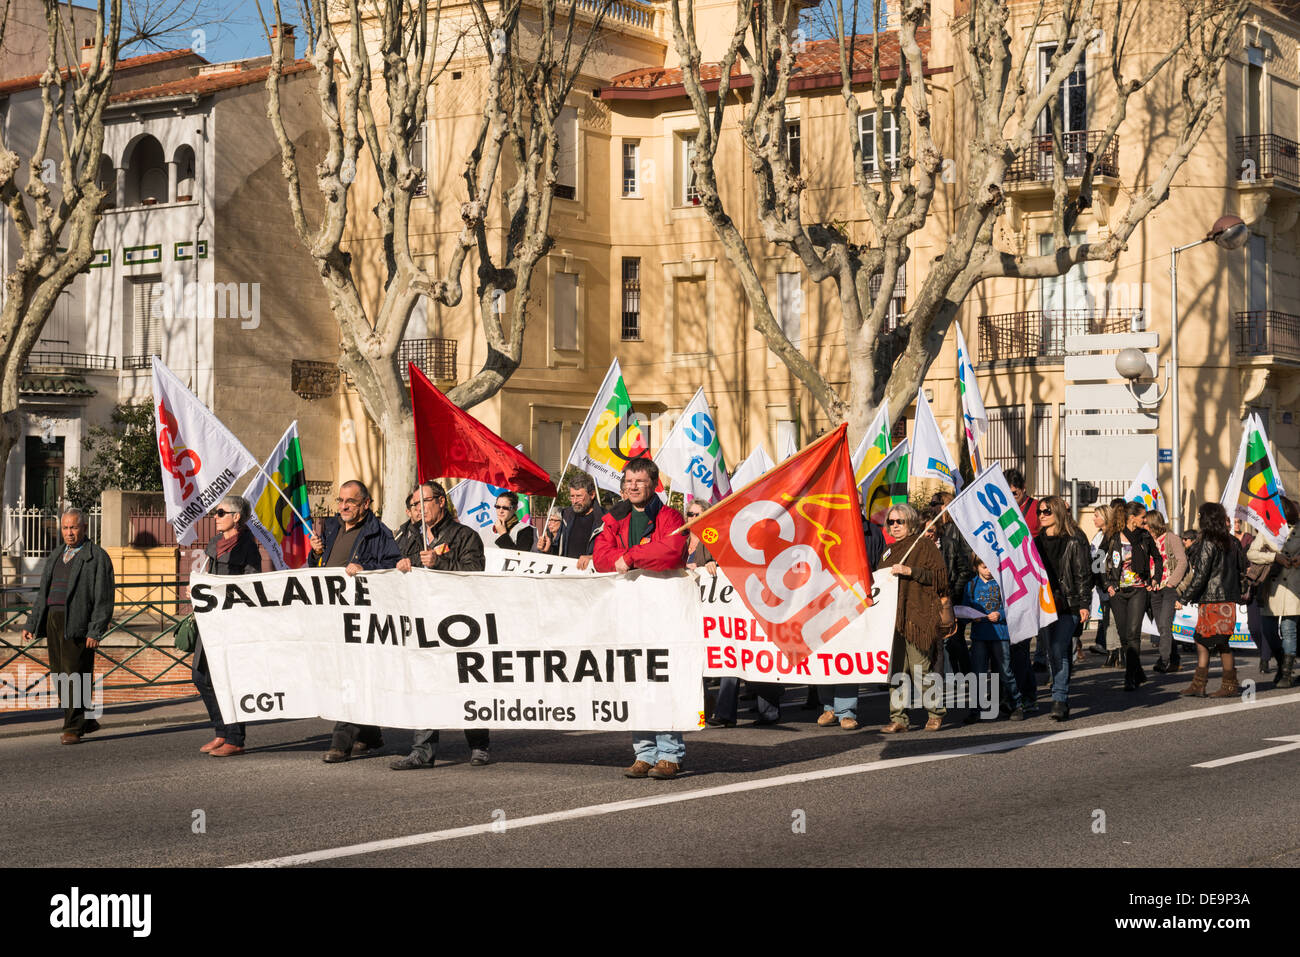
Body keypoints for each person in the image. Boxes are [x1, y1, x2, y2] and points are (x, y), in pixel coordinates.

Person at [593, 457, 688, 779]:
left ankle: (669, 754)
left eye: (639, 482)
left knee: (662, 681)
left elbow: (671, 551)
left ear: (653, 484)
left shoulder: (668, 515)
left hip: (662, 612)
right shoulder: (613, 518)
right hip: (627, 612)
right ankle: (644, 753)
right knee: (636, 682)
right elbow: (601, 558)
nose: (632, 487)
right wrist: (624, 560)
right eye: (628, 482)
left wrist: (630, 557)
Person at [391, 481, 492, 769]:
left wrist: (439, 563)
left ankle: (478, 743)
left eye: (424, 502)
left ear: (441, 502)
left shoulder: (464, 535)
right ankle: (422, 751)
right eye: (414, 504)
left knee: (466, 682)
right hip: (423, 620)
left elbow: (474, 574)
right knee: (426, 683)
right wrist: (401, 564)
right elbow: (391, 563)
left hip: (459, 621)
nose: (418, 509)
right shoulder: (407, 535)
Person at [313, 480, 402, 763]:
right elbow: (317, 569)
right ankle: (369, 734)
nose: (343, 506)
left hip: (360, 617)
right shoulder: (330, 529)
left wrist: (366, 569)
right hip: (331, 616)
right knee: (345, 673)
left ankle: (341, 742)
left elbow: (392, 567)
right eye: (340, 501)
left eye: (350, 501)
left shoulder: (379, 533)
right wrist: (316, 555)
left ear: (365, 503)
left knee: (350, 676)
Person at [22, 508, 115, 745]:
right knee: (60, 675)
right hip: (53, 620)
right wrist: (32, 623)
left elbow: (104, 598)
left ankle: (73, 727)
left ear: (84, 528)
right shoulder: (56, 555)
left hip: (78, 621)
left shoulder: (97, 557)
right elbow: (43, 592)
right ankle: (87, 719)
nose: (69, 532)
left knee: (74, 675)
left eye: (74, 527)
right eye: (65, 528)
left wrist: (95, 630)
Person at [690, 500, 783, 728]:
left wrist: (717, 564)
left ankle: (768, 711)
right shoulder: (699, 539)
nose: (693, 518)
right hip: (718, 611)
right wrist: (703, 566)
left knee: (758, 658)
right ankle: (723, 712)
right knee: (726, 659)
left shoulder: (749, 538)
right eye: (690, 514)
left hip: (753, 607)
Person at [194, 495, 264, 757]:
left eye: (221, 512)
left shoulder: (248, 547)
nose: (215, 516)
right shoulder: (214, 543)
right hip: (208, 619)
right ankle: (221, 731)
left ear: (236, 517)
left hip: (232, 623)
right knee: (200, 677)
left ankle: (235, 738)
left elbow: (252, 584)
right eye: (215, 512)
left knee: (229, 680)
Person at [878, 503, 949, 733]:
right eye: (891, 522)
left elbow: (940, 578)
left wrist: (910, 572)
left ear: (911, 522)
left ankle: (935, 712)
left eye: (900, 521)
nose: (895, 526)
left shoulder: (924, 545)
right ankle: (898, 718)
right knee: (896, 670)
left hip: (917, 616)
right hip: (892, 619)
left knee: (921, 669)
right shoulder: (888, 551)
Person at [1177, 502, 1247, 698]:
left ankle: (1224, 685)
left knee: (1211, 641)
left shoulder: (1208, 541)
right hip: (1226, 600)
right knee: (1212, 640)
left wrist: (1184, 598)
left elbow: (1201, 575)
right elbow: (1241, 569)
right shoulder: (1232, 541)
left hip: (1212, 599)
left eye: (1200, 515)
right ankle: (1204, 684)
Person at [1032, 496, 1092, 720]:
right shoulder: (1036, 541)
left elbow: (1083, 573)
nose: (1042, 515)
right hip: (1046, 604)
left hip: (1070, 603)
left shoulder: (1075, 539)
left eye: (1046, 511)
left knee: (1058, 648)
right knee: (1056, 651)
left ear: (1057, 512)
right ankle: (1062, 696)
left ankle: (1059, 698)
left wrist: (1085, 604)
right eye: (1039, 512)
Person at [1102, 501, 1162, 691]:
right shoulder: (1112, 536)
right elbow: (1097, 559)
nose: (1145, 521)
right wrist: (1106, 584)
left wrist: (1155, 578)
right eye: (1143, 517)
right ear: (1131, 518)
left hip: (1138, 589)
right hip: (1117, 592)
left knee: (1133, 634)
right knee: (1123, 635)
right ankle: (1138, 672)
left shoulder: (1144, 536)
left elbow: (1158, 558)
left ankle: (1130, 677)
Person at [1245, 496, 1300, 688]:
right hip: (1271, 588)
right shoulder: (1269, 529)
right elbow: (1251, 553)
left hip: (1294, 587)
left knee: (1289, 630)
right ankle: (1281, 664)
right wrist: (1274, 557)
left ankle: (1286, 673)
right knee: (1268, 630)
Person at [963, 555, 1026, 721]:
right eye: (984, 567)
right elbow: (964, 609)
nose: (988, 571)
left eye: (990, 566)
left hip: (1000, 634)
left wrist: (1000, 614)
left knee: (1005, 671)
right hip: (979, 636)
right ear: (976, 567)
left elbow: (1013, 606)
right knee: (977, 673)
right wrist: (971, 616)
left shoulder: (1002, 584)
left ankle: (1016, 704)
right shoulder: (971, 585)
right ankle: (975, 710)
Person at [931, 490, 973, 676]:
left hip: (956, 594)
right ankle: (953, 673)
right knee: (946, 638)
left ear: (946, 505)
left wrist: (955, 591)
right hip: (941, 597)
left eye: (936, 503)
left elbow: (966, 564)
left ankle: (965, 672)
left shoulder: (958, 528)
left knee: (955, 637)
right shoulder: (933, 529)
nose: (932, 506)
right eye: (931, 503)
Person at [1146, 510, 1188, 674]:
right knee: (1162, 627)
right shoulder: (1148, 540)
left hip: (1168, 588)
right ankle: (1175, 659)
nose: (1144, 526)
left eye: (1146, 523)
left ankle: (1164, 660)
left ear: (1153, 524)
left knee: (1164, 625)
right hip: (1154, 589)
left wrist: (1171, 584)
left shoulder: (1171, 538)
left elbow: (1182, 562)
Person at [536, 473, 605, 567]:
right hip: (567, 575)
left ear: (592, 494)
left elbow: (612, 553)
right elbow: (559, 550)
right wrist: (548, 549)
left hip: (592, 577)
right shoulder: (566, 516)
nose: (575, 501)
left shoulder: (605, 520)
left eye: (579, 496)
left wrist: (592, 558)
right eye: (572, 496)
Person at [1088, 504, 1112, 657]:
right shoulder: (1098, 535)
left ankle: (1108, 646)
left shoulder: (1111, 536)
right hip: (1098, 581)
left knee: (1109, 615)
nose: (1094, 518)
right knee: (1105, 614)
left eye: (1097, 515)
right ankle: (1102, 643)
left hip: (1108, 581)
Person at [1005, 469, 1040, 537]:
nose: (1010, 498)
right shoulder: (998, 510)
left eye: (1014, 493)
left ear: (1024, 488)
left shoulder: (1039, 509)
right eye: (1005, 494)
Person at [393, 487, 422, 556]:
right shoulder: (400, 533)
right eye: (416, 509)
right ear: (408, 512)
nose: (421, 512)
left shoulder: (429, 532)